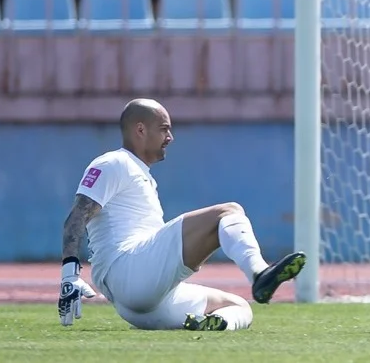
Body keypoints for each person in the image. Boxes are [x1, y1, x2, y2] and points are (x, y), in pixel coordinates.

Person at [57, 98, 305, 332]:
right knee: (229, 211)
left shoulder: (140, 173)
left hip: (138, 305)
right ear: (140, 130)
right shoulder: (113, 163)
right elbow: (77, 217)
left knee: (238, 306)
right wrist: (69, 275)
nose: (170, 137)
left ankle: (213, 324)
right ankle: (260, 274)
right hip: (127, 271)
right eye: (164, 129)